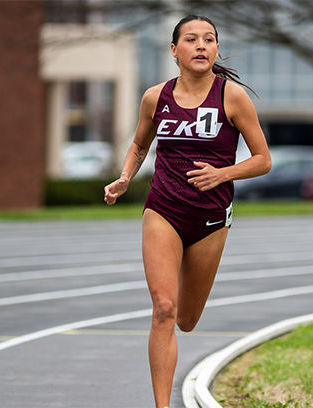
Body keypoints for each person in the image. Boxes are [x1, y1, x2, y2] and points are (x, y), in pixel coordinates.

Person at [104, 14, 271, 408]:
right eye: (191, 39)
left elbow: (263, 160)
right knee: (164, 309)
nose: (201, 46)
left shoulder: (232, 97)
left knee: (186, 319)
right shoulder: (154, 97)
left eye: (209, 39)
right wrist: (126, 176)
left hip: (211, 218)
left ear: (215, 49)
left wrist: (223, 174)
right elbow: (139, 145)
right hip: (163, 210)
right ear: (175, 50)